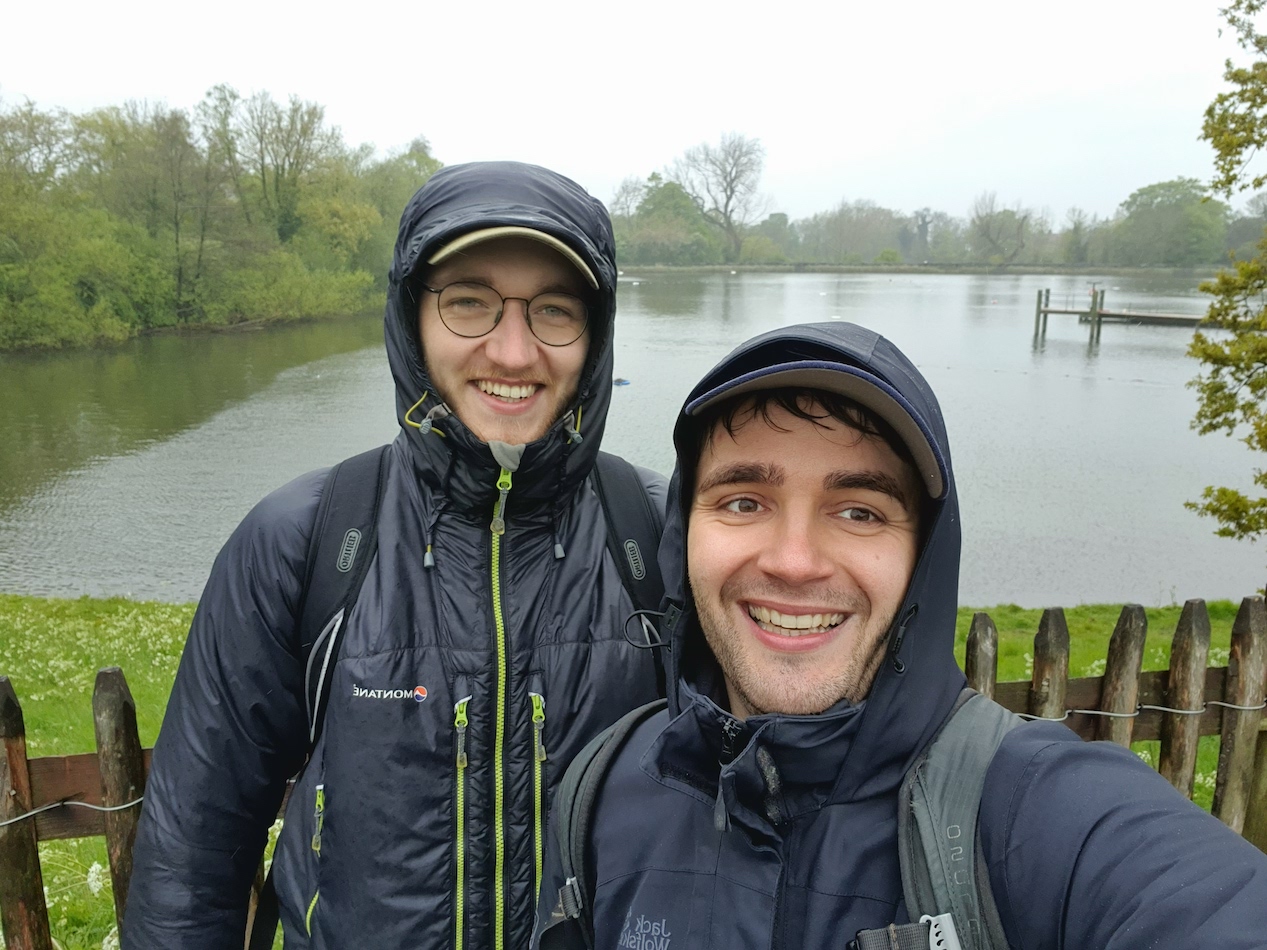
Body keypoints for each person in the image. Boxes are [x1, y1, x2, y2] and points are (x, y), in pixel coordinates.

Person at [534, 320, 1267, 950]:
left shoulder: (1035, 818)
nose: (792, 561)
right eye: (743, 500)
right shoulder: (601, 788)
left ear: (923, 556)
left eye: (858, 511)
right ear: (683, 536)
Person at [122, 162, 664, 949]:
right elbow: (191, 854)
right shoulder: (303, 541)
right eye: (469, 303)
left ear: (595, 334)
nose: (512, 352)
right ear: (411, 317)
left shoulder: (655, 534)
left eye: (554, 310)